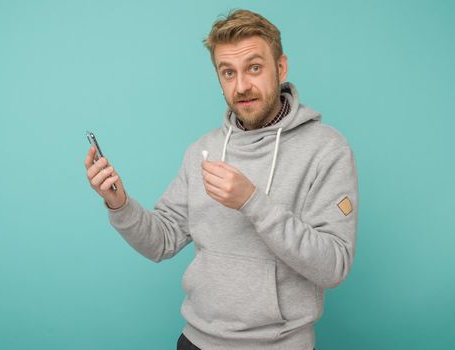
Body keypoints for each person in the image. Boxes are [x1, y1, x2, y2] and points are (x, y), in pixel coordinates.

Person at [84, 9, 358, 350]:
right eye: (228, 73)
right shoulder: (203, 151)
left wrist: (253, 202)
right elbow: (161, 241)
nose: (241, 85)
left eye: (254, 68)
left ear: (281, 67)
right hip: (196, 341)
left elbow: (333, 266)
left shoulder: (326, 150)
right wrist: (119, 204)